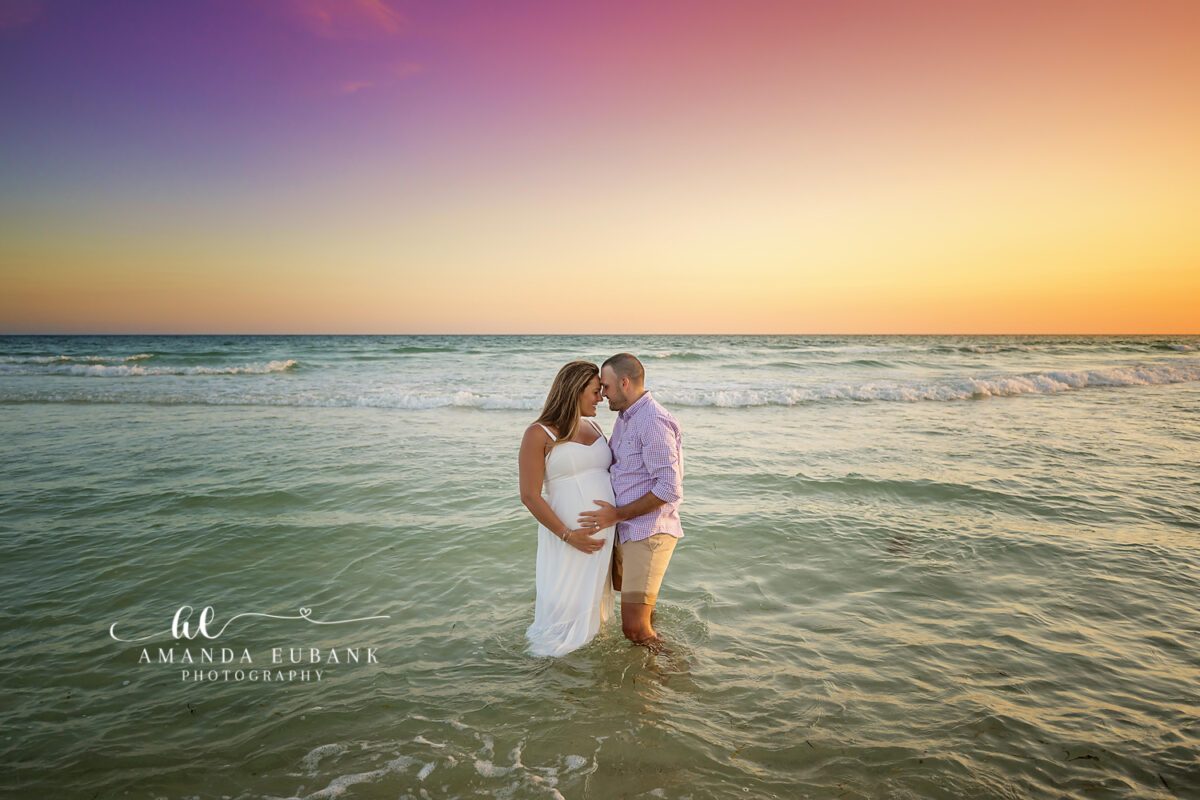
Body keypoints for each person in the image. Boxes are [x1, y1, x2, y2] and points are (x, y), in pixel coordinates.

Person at [579, 353, 683, 646]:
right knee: (642, 619)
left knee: (635, 630)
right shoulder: (626, 419)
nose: (602, 395)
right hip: (628, 532)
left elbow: (669, 487)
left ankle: (675, 675)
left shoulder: (652, 421)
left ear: (624, 383)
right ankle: (647, 679)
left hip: (648, 532)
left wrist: (617, 514)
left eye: (607, 387)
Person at [519, 360, 616, 657]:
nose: (601, 398)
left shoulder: (596, 426)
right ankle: (547, 667)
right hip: (566, 536)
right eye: (595, 391)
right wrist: (567, 534)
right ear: (574, 391)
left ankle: (585, 666)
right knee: (562, 605)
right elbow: (530, 496)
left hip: (603, 537)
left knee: (595, 608)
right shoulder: (538, 434)